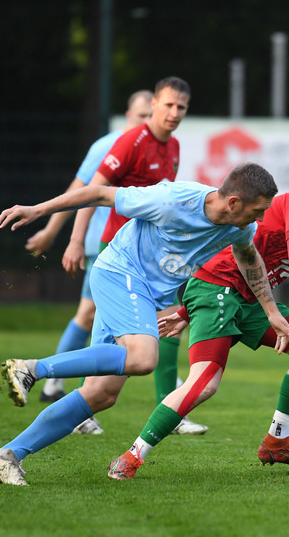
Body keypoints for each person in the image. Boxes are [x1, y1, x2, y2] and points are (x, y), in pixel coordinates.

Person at [0, 162, 289, 486]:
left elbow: (249, 258)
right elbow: (100, 193)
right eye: (257, 211)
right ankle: (32, 369)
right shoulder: (172, 200)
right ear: (233, 203)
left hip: (142, 296)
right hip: (120, 275)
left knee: (100, 394)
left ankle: (7, 456)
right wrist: (38, 210)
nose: (259, 219)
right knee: (144, 358)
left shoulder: (241, 228)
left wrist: (271, 312)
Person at [107, 166, 289, 480]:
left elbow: (247, 260)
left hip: (248, 298)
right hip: (219, 292)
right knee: (204, 384)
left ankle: (277, 441)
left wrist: (186, 312)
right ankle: (132, 456)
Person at [51, 77, 206, 435]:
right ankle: (53, 383)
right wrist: (76, 240)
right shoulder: (131, 141)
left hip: (149, 256)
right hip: (118, 254)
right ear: (154, 104)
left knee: (166, 328)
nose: (174, 113)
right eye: (168, 105)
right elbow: (94, 191)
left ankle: (169, 410)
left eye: (181, 107)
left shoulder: (175, 147)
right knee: (104, 331)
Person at [23, 89, 153, 415]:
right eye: (142, 116)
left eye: (152, 116)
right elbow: (80, 192)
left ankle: (65, 385)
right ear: (127, 116)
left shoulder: (160, 150)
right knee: (90, 315)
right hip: (106, 247)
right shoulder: (109, 146)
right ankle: (56, 382)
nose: (147, 122)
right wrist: (56, 233)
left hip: (136, 252)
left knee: (98, 318)